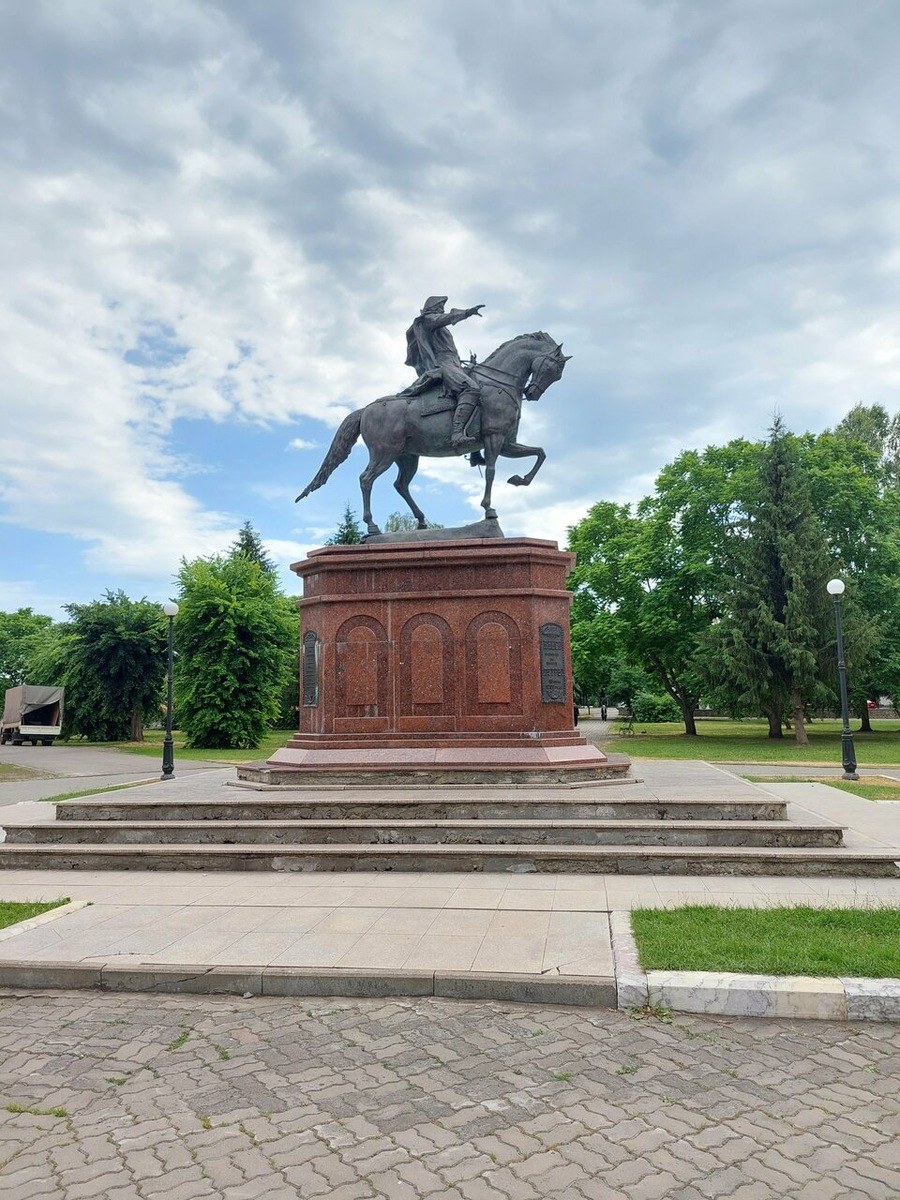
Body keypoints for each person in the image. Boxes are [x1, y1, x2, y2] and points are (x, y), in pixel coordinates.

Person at [403, 296, 485, 452]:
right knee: (471, 389)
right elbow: (446, 318)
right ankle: (457, 434)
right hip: (444, 363)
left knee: (483, 387)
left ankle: (475, 451)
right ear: (434, 307)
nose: (442, 309)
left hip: (455, 363)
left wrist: (471, 365)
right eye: (440, 306)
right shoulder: (429, 320)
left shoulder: (439, 325)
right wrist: (467, 312)